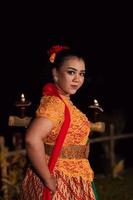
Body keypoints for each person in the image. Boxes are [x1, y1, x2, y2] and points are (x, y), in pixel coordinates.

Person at [19, 44, 103, 200]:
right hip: (61, 178)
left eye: (82, 74)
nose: (78, 79)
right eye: (71, 72)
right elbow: (32, 139)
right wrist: (47, 178)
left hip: (75, 176)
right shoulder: (55, 105)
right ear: (55, 74)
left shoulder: (63, 102)